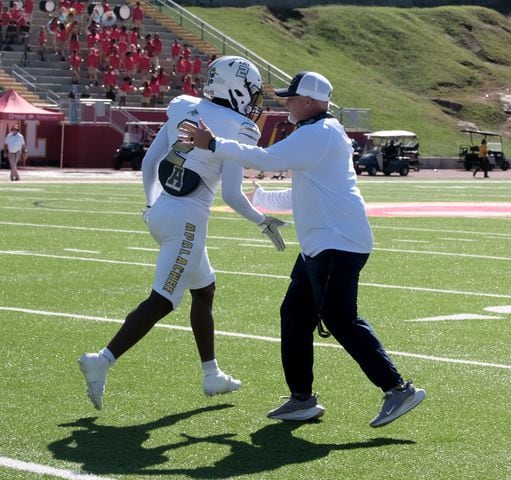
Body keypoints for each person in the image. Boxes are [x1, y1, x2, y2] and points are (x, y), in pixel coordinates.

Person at [179, 71, 426, 428]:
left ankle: (397, 388)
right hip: (321, 244)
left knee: (340, 319)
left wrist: (214, 144)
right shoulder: (318, 133)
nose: (286, 103)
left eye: (291, 98)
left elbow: (265, 158)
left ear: (309, 101)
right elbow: (310, 189)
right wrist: (264, 198)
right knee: (294, 315)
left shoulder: (319, 133)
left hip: (337, 242)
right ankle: (302, 399)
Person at [78, 56, 287, 411]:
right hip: (187, 221)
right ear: (234, 89)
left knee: (204, 291)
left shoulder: (184, 107)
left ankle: (211, 374)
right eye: (250, 92)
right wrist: (263, 221)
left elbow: (149, 163)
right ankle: (102, 360)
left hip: (162, 211)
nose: (253, 101)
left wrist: (150, 206)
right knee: (162, 300)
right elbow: (233, 196)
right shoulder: (240, 126)